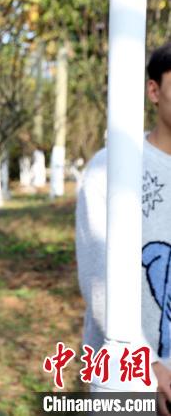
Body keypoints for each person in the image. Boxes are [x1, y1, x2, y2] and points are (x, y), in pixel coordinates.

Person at [76, 42, 171, 412]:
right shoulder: (109, 169)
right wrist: (150, 369)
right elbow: (100, 279)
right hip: (127, 382)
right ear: (153, 90)